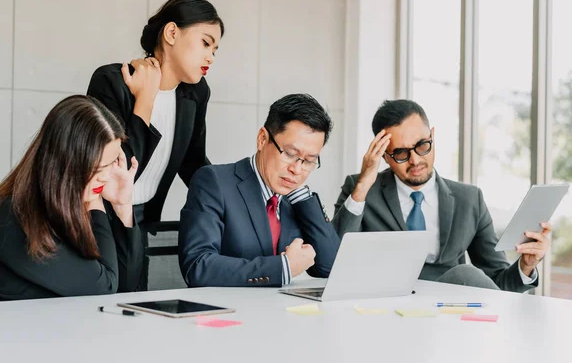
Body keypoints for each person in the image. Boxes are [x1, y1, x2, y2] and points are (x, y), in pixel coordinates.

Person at [332, 99, 551, 292]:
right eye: (400, 153)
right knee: (467, 274)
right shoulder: (360, 188)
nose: (415, 160)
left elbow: (498, 283)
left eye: (422, 146)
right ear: (385, 156)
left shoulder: (469, 199)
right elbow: (333, 259)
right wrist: (362, 186)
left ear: (432, 137)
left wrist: (526, 266)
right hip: (384, 304)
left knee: (467, 275)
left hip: (449, 310)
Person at [87, 0, 224, 289]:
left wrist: (229, 199)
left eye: (215, 49)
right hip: (98, 219)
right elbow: (116, 167)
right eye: (205, 42)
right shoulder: (112, 81)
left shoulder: (196, 94)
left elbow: (193, 162)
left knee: (133, 304)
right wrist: (145, 100)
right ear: (172, 33)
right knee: (101, 303)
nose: (211, 57)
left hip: (144, 219)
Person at [0, 95, 142, 302]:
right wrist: (96, 205)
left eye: (111, 164)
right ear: (66, 162)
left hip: (58, 329)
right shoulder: (11, 215)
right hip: (6, 331)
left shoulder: (77, 205)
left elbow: (126, 285)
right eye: (99, 167)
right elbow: (102, 289)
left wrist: (122, 206)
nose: (106, 176)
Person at [179, 94, 340, 287]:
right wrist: (282, 267)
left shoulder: (294, 200)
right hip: (229, 312)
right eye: (290, 154)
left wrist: (302, 197)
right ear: (262, 139)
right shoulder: (214, 182)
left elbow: (330, 267)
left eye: (309, 161)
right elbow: (197, 266)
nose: (297, 169)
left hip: (279, 313)